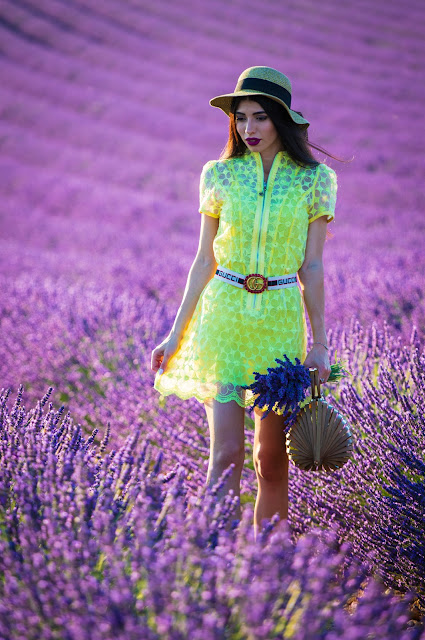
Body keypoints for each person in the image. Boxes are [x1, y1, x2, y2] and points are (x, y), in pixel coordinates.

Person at [150, 66, 337, 535]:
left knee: (271, 461)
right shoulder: (218, 175)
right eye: (241, 118)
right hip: (224, 317)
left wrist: (320, 344)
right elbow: (202, 262)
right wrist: (175, 335)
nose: (248, 129)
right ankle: (214, 567)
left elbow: (312, 268)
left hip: (278, 321)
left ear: (283, 120)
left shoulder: (315, 180)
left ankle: (268, 572)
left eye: (260, 118)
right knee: (226, 456)